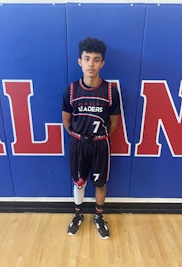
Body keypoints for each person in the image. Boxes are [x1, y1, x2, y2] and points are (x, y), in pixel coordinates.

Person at [62, 37, 121, 239]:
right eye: (87, 59)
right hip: (78, 143)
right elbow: (66, 120)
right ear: (80, 61)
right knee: (79, 182)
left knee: (100, 183)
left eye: (96, 60)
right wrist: (79, 138)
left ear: (102, 63)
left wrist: (98, 138)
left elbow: (114, 123)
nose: (91, 64)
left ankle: (98, 217)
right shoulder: (71, 91)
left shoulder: (111, 92)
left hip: (100, 145)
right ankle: (78, 215)